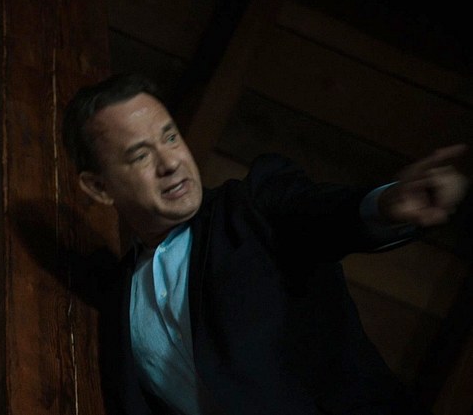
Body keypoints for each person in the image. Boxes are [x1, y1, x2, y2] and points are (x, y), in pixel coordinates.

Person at [61, 73, 469, 415]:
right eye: (140, 156)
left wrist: (385, 204)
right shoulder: (118, 303)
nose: (170, 163)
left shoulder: (254, 205)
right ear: (99, 188)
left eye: (170, 137)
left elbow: (319, 212)